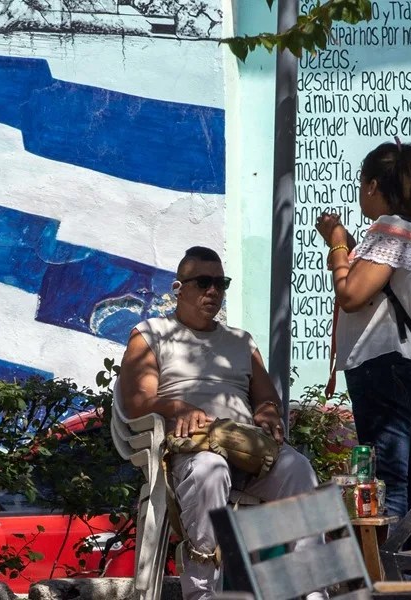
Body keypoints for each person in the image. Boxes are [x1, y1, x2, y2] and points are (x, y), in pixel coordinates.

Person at [118, 246, 318, 600]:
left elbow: (267, 397)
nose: (213, 291)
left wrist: (268, 411)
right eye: (203, 282)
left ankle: (310, 588)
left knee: (299, 469)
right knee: (210, 469)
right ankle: (202, 592)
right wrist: (176, 406)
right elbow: (135, 402)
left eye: (220, 283)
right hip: (192, 448)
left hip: (247, 449)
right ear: (179, 288)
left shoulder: (240, 341)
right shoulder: (151, 333)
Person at [315, 140, 411, 549]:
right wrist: (350, 246)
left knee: (389, 478)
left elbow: (351, 294)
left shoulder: (392, 230)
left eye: (360, 183)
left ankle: (393, 578)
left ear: (372, 185)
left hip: (384, 367)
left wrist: (336, 243)